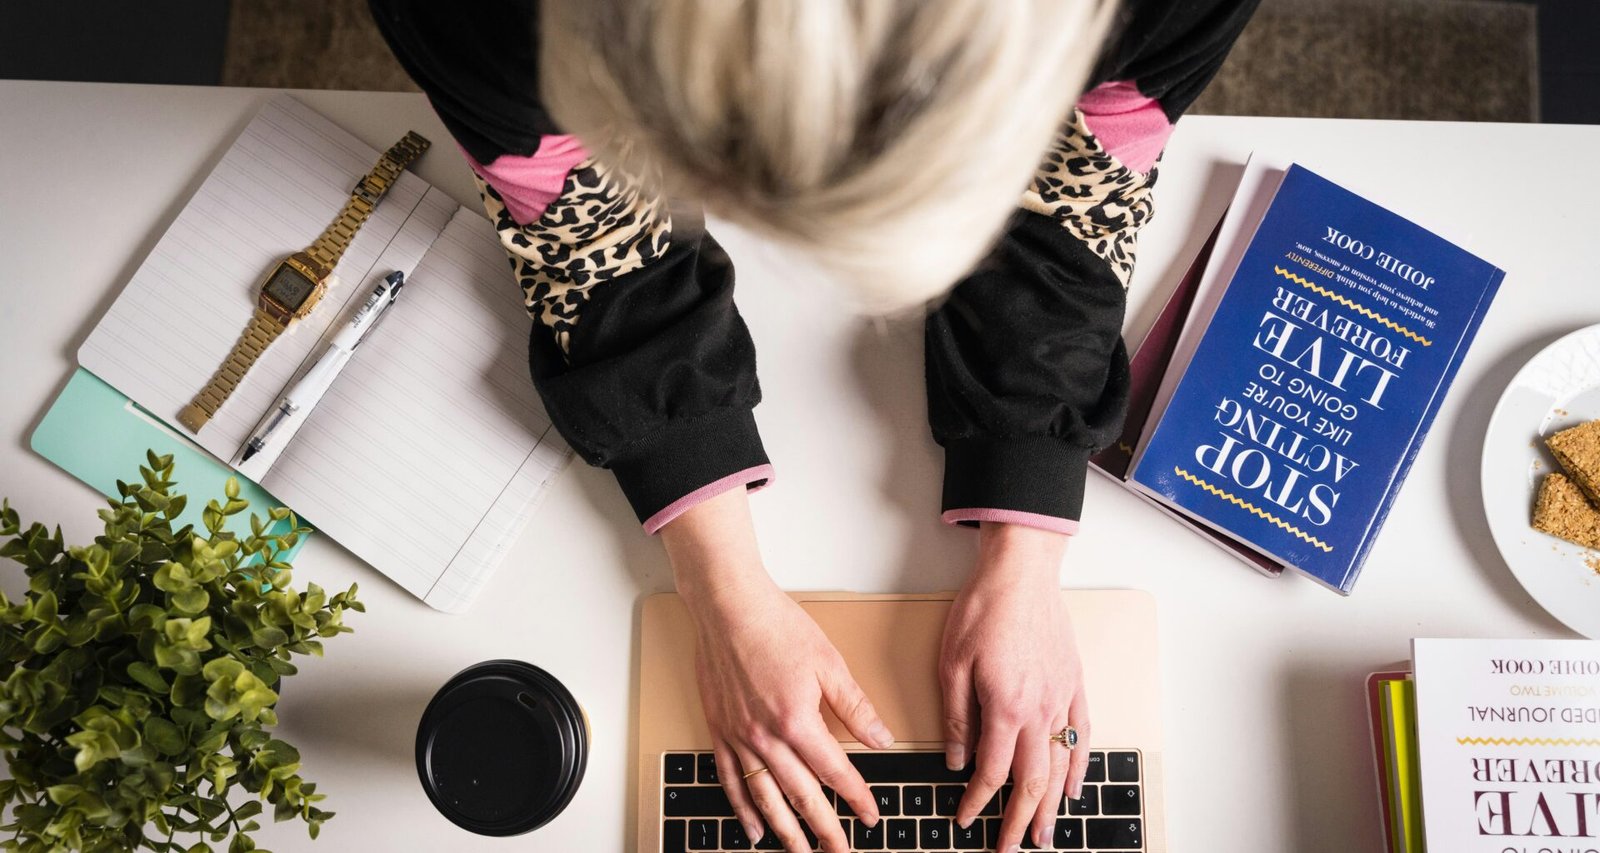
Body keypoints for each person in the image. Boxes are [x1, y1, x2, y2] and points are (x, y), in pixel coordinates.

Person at [371, 2, 1258, 850]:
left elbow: (1079, 187)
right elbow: (593, 241)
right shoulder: (486, 17)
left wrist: (1027, 544)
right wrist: (724, 594)